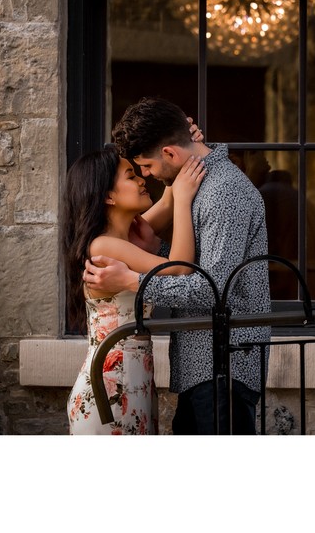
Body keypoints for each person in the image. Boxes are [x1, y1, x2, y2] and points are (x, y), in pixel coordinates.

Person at [84, 97, 271, 435]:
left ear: (169, 154)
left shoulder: (223, 193)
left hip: (222, 367)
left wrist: (133, 280)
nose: (145, 176)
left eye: (146, 166)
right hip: (203, 366)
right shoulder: (198, 186)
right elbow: (186, 263)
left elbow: (210, 290)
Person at [62, 142, 206, 435]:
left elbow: (164, 205)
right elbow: (179, 267)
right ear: (108, 196)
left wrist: (183, 147)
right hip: (112, 389)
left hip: (131, 381)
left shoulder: (123, 238)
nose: (142, 179)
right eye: (131, 176)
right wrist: (183, 199)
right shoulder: (105, 245)